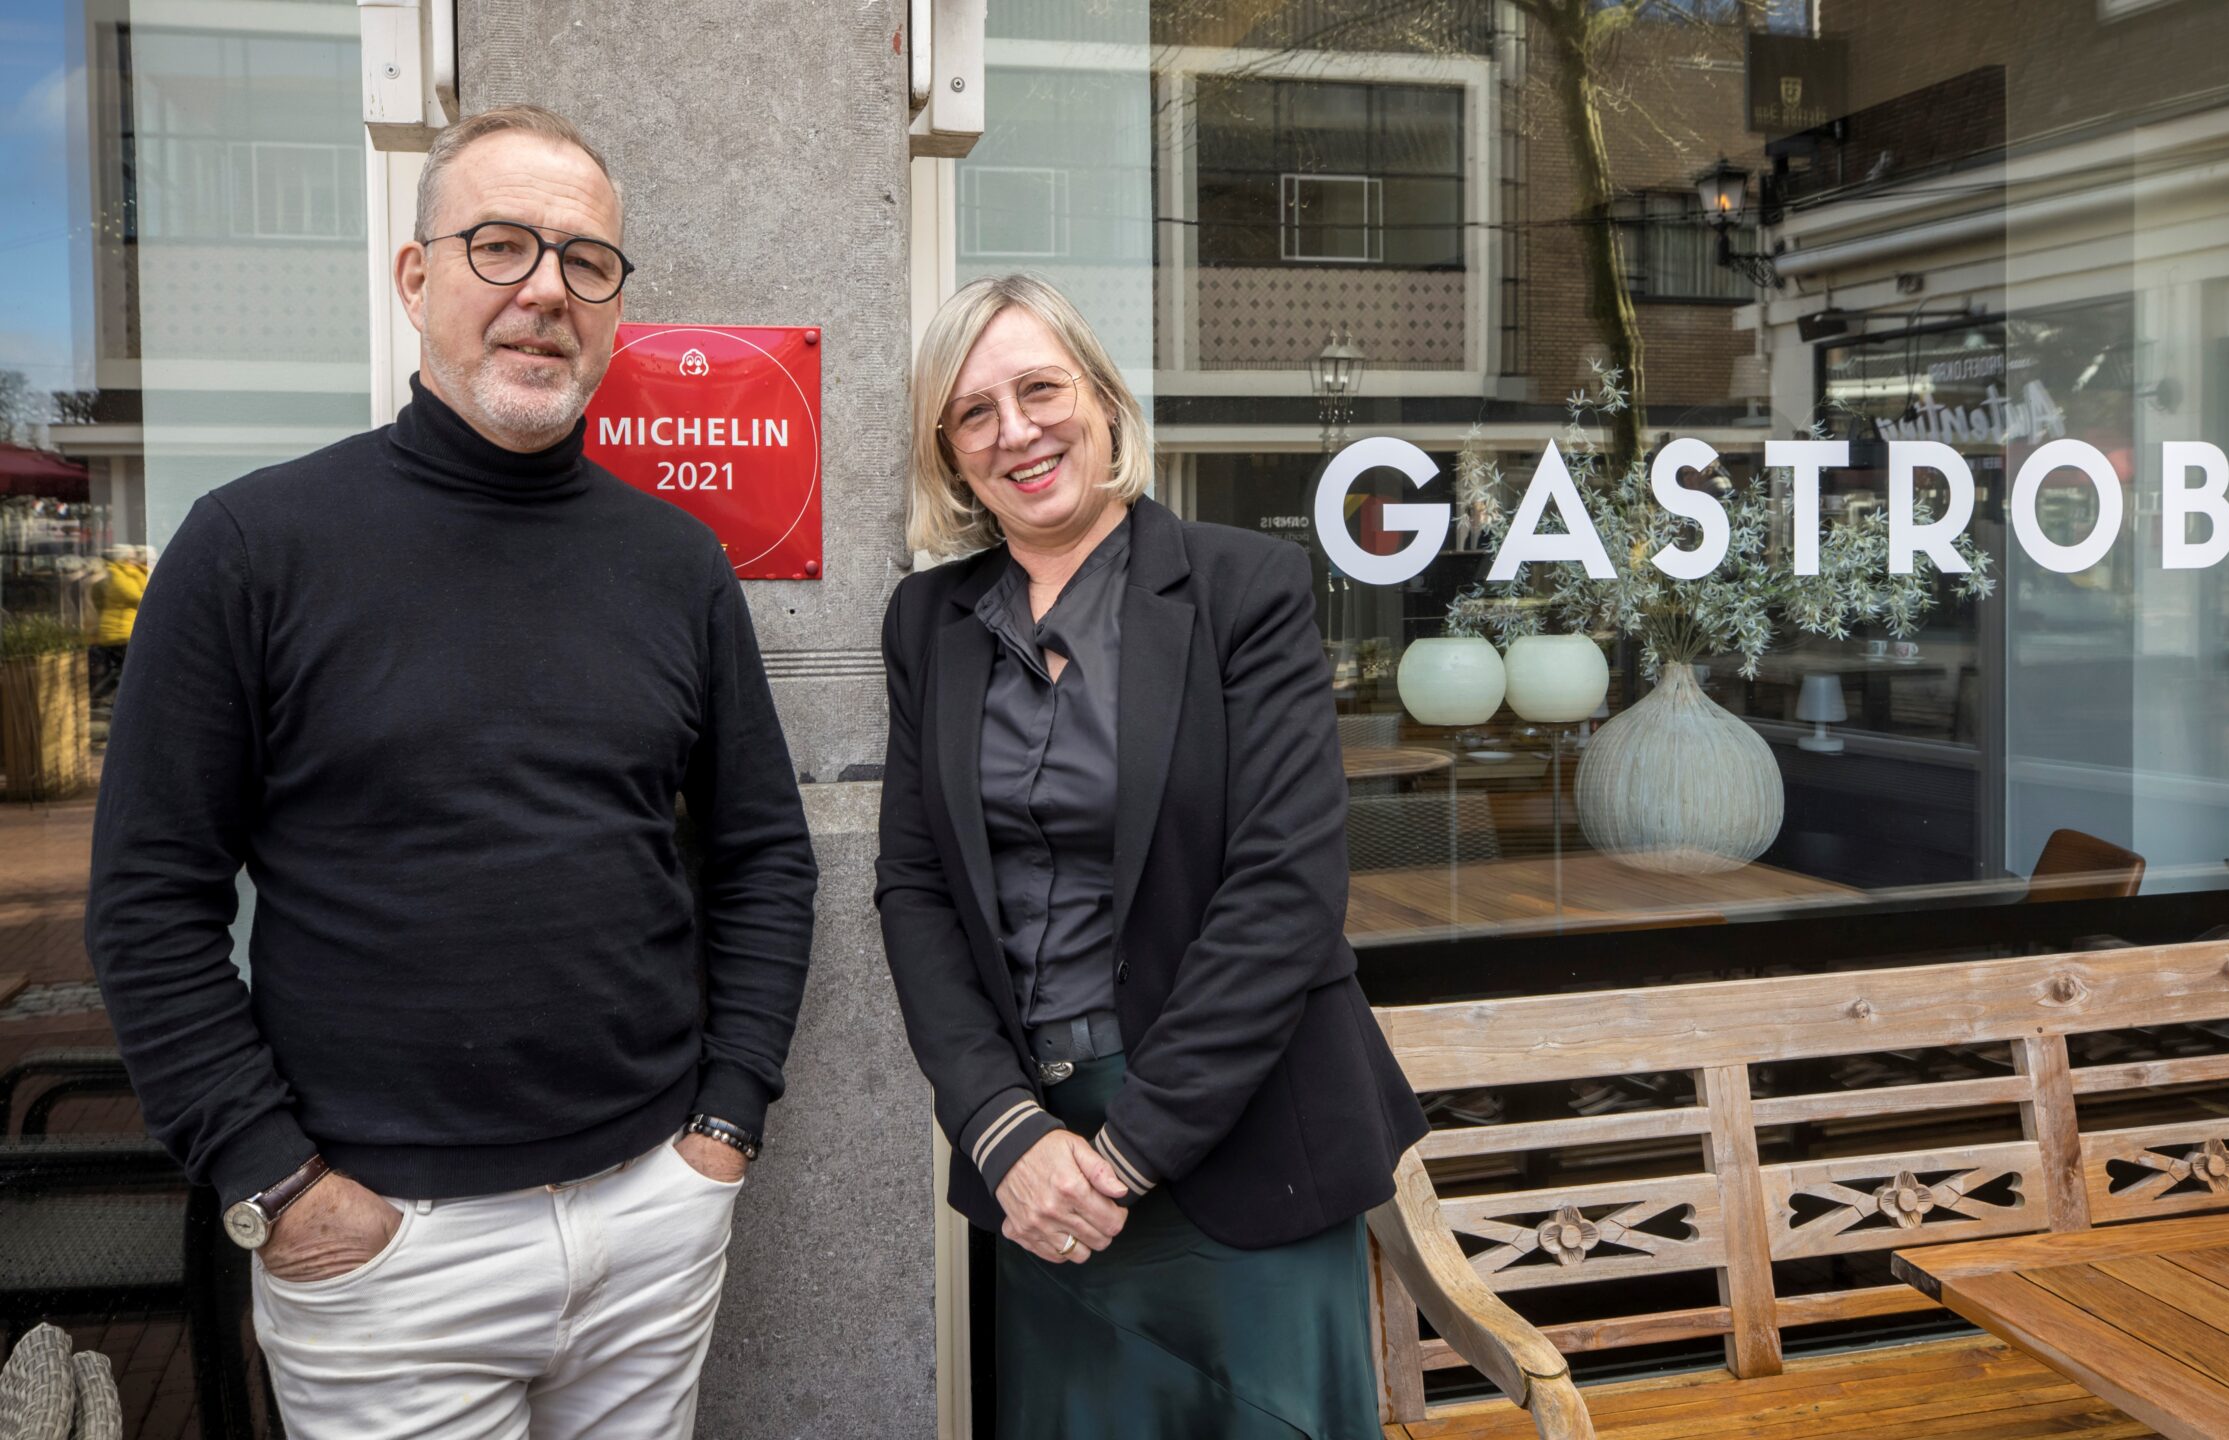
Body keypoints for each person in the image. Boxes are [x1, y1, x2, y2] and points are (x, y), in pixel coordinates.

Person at [86, 104, 816, 1438]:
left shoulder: (676, 566)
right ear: (416, 278)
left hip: (653, 1212)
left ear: (612, 307)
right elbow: (147, 904)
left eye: (585, 261)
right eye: (500, 245)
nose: (545, 288)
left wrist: (725, 1127)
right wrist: (274, 1178)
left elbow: (762, 850)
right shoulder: (253, 548)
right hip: (383, 1250)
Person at [875, 273, 1427, 1439]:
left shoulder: (1242, 587)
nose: (1015, 430)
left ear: (1103, 402)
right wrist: (1004, 1131)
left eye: (1039, 389)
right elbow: (915, 891)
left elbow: (1284, 894)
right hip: (1035, 1162)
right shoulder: (928, 624)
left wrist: (1122, 1160)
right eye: (974, 412)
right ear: (950, 454)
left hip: (1235, 1142)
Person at [85, 544, 147, 713]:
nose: (135, 560)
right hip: (118, 632)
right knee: (130, 669)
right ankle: (107, 698)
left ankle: (109, 698)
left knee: (123, 669)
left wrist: (140, 569)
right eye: (132, 558)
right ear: (125, 559)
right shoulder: (118, 575)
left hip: (124, 630)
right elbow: (139, 596)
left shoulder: (129, 573)